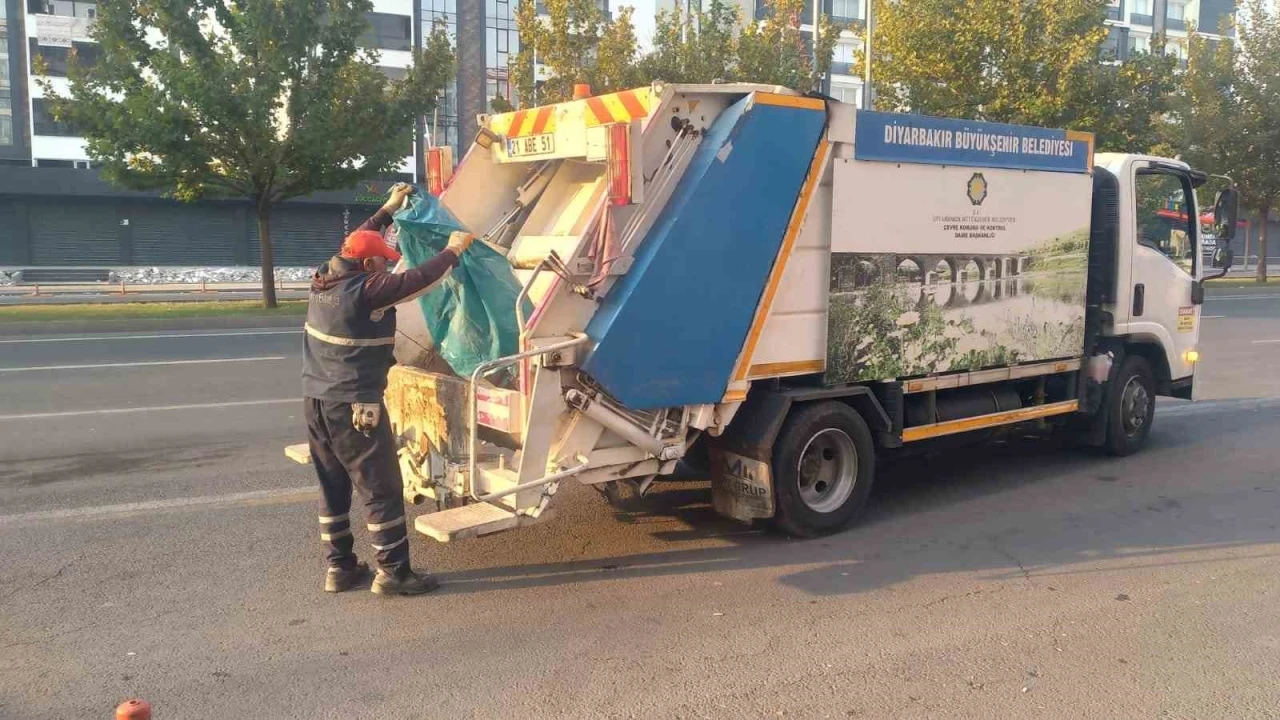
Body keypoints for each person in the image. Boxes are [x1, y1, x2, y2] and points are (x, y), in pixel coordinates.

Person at [303, 183, 474, 595]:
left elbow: (359, 238)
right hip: (355, 406)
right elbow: (419, 280)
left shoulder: (324, 278)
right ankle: (394, 573)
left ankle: (340, 568)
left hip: (316, 401)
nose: (388, 267)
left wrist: (389, 209)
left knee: (333, 484)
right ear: (369, 263)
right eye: (384, 261)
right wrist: (454, 250)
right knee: (381, 488)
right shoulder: (368, 291)